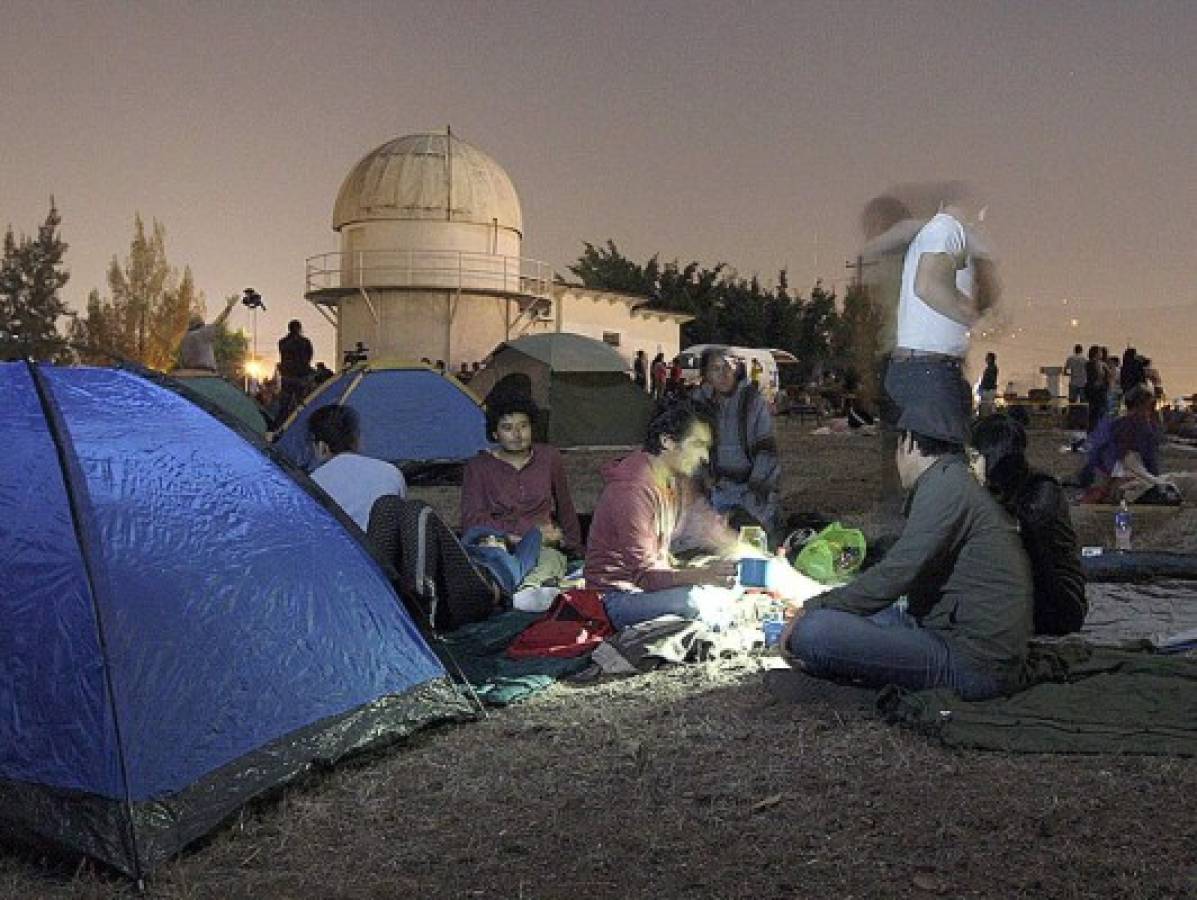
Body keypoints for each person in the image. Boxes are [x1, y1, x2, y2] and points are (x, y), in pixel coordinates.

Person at [782, 407, 1033, 700]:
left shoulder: (946, 485)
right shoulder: (951, 478)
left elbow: (899, 571)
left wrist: (814, 607)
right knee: (864, 616)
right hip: (954, 635)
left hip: (972, 661)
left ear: (910, 443)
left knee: (814, 632)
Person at [585, 402, 745, 630]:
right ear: (667, 441)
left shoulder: (675, 478)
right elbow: (645, 577)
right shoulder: (632, 490)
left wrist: (745, 549)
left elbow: (705, 523)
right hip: (615, 597)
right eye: (698, 445)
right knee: (696, 601)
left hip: (650, 586)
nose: (705, 458)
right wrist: (701, 576)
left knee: (724, 591)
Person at [886, 197, 999, 447]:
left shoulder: (944, 234)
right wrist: (974, 320)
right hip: (929, 369)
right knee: (940, 463)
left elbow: (940, 285)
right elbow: (927, 286)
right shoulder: (946, 228)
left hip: (927, 368)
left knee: (937, 458)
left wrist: (974, 313)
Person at [971, 414, 1086, 635]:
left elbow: (1022, 535)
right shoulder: (992, 489)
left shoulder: (1042, 488)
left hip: (1057, 602)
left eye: (975, 457)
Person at [460, 392, 582, 556]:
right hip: (497, 549)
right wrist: (521, 533)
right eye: (507, 428)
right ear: (495, 434)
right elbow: (472, 522)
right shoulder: (478, 467)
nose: (517, 434)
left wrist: (573, 547)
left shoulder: (549, 457)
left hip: (546, 547)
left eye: (523, 426)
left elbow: (565, 506)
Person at [694, 347, 781, 537]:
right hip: (716, 490)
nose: (724, 374)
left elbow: (767, 453)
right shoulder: (699, 404)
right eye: (716, 369)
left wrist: (755, 493)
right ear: (706, 374)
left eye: (729, 368)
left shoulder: (752, 402)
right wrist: (703, 482)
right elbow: (693, 449)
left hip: (750, 490)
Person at [307, 405, 406, 531]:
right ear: (357, 440)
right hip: (384, 548)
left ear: (322, 447)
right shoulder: (391, 473)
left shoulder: (311, 484)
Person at [1080, 385, 1175, 504]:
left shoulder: (1119, 423)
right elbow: (1137, 455)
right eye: (1150, 406)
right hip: (1130, 472)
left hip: (1121, 471)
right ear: (1143, 405)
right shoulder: (1137, 424)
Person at [177, 295, 238, 372]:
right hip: (205, 371)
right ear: (200, 324)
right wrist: (228, 307)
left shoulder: (184, 338)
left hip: (188, 371)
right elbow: (218, 321)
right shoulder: (202, 333)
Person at [277, 320, 314, 424]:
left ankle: (281, 424)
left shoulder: (282, 342)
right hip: (301, 377)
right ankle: (302, 423)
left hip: (287, 377)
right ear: (299, 328)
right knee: (302, 403)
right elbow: (309, 356)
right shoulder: (305, 342)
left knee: (284, 404)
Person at [1084, 344, 1108, 433]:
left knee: (1093, 412)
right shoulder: (1099, 364)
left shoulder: (1088, 364)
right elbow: (1102, 376)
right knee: (1099, 411)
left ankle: (1092, 430)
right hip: (1099, 391)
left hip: (1091, 390)